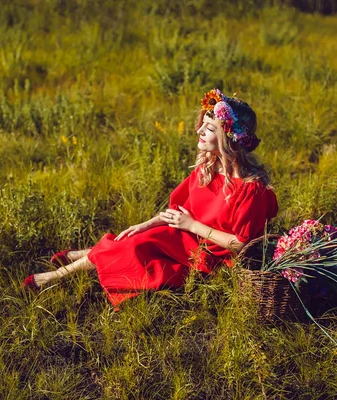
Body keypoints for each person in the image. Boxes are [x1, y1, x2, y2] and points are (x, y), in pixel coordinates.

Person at [22, 89, 279, 310]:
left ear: (229, 138)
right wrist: (147, 224)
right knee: (136, 237)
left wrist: (192, 226)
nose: (199, 130)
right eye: (203, 123)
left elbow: (240, 243)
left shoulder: (249, 189)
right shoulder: (208, 167)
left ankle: (58, 275)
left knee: (133, 250)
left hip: (210, 255)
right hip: (186, 237)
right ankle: (82, 259)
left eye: (209, 128)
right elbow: (180, 209)